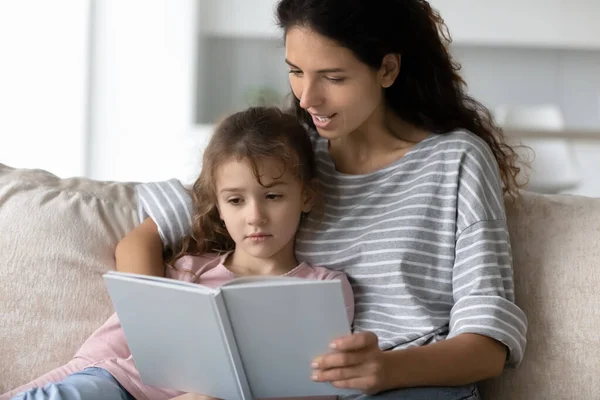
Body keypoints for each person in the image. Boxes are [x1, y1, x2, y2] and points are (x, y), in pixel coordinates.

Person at [113, 0, 529, 399]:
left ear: (387, 68)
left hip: (413, 386)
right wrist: (164, 337)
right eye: (296, 71)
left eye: (333, 77)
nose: (307, 97)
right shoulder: (293, 156)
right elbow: (143, 237)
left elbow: (488, 345)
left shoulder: (456, 160)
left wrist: (386, 370)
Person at [5, 107, 354, 400]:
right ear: (218, 206)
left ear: (306, 196)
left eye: (273, 196)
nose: (255, 216)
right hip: (120, 388)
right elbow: (102, 356)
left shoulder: (325, 287)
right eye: (236, 200)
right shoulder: (187, 272)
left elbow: (318, 387)